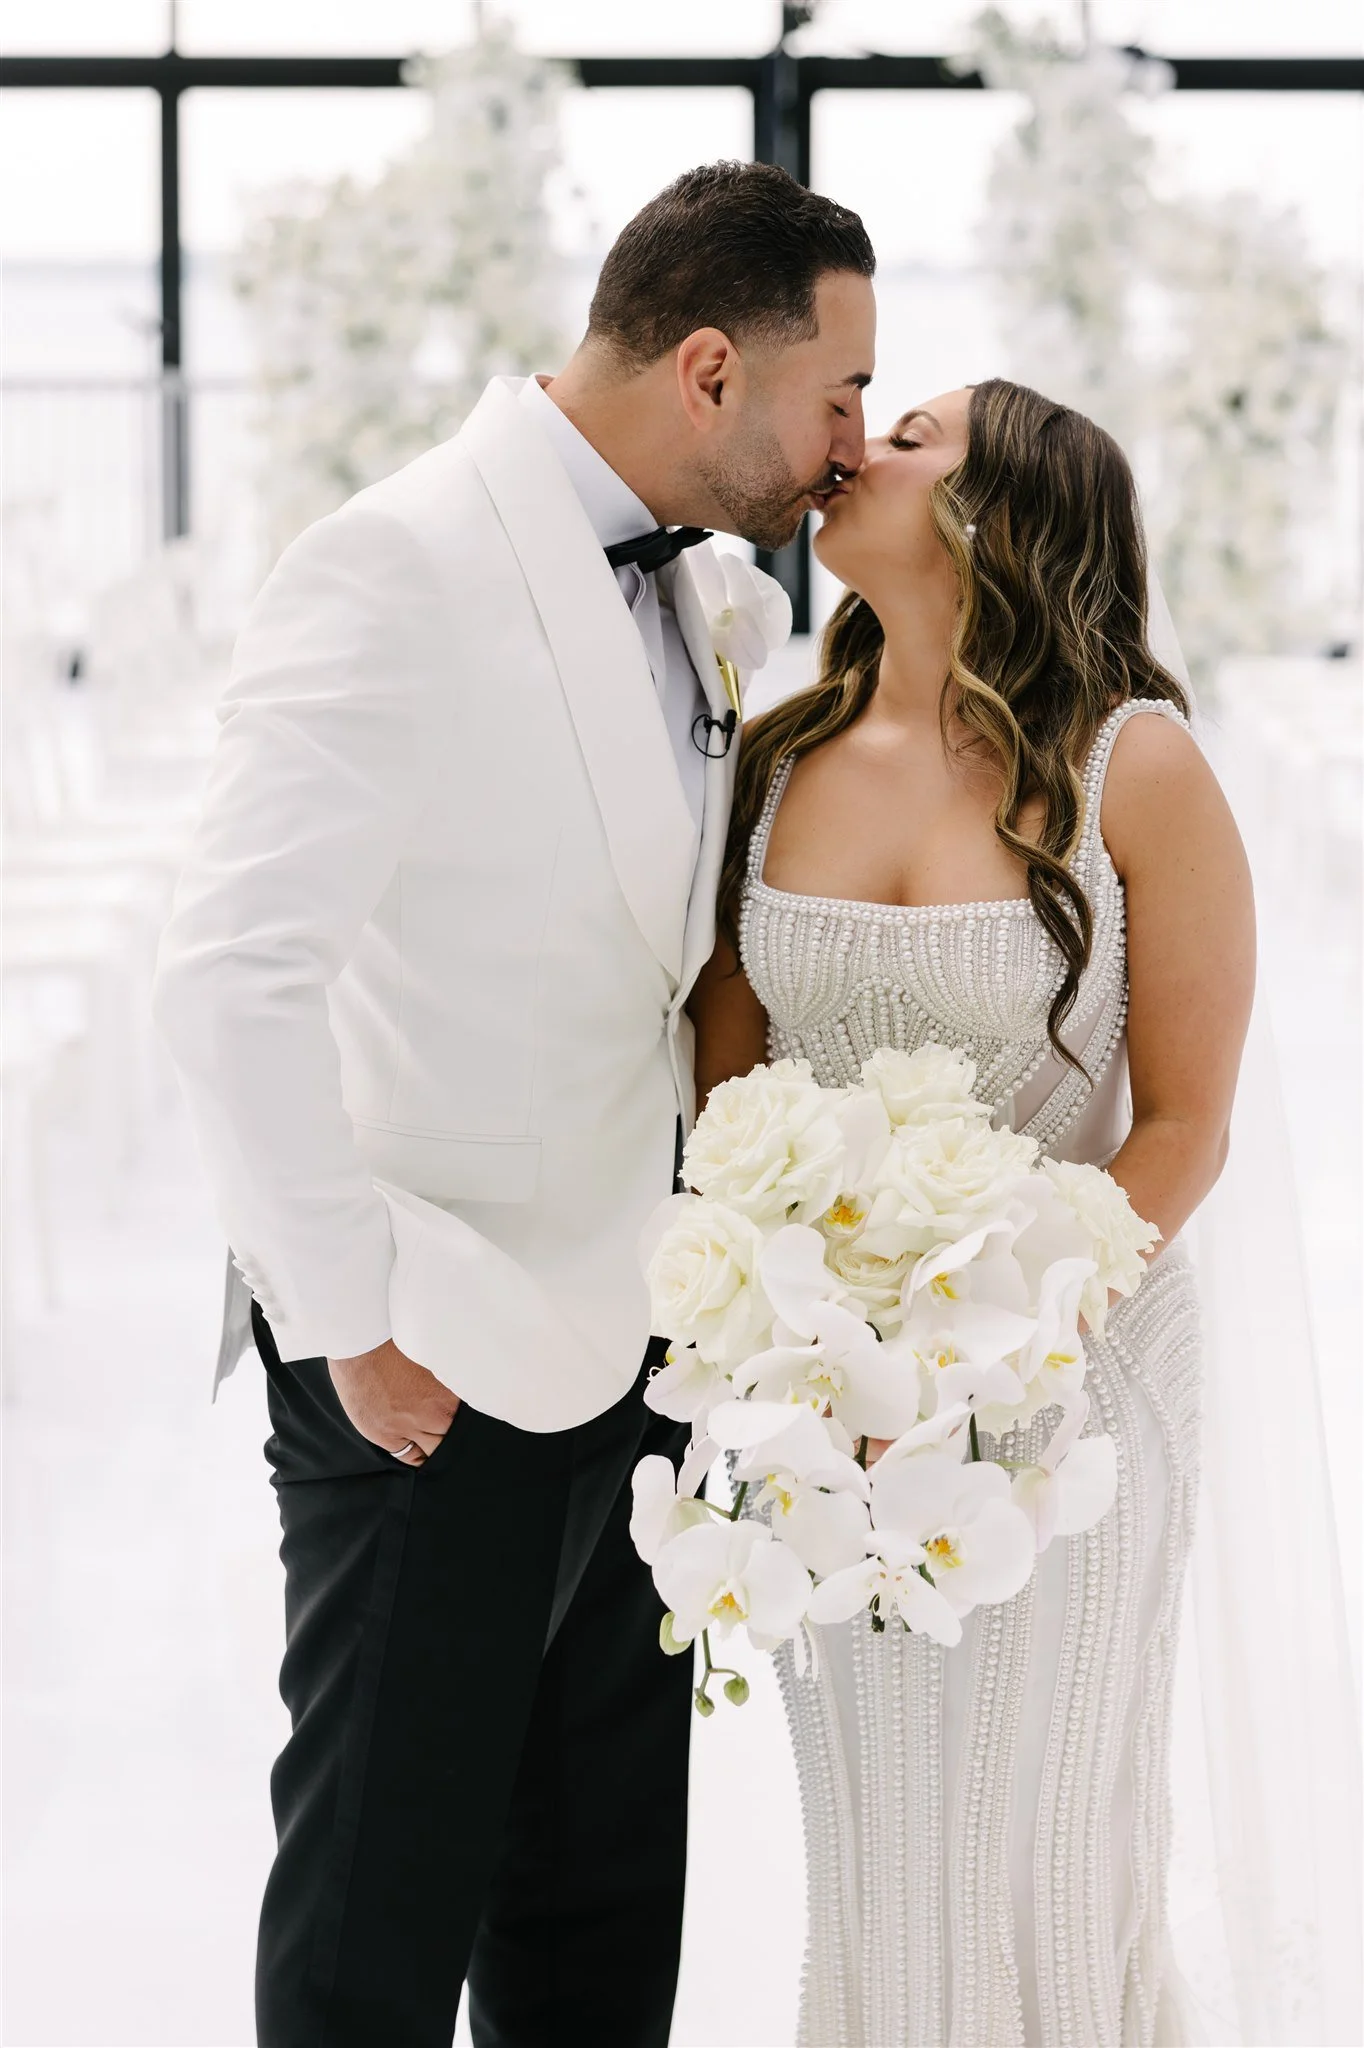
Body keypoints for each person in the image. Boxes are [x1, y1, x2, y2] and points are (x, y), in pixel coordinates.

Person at [151, 159, 876, 2048]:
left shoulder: (709, 592)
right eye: (838, 397)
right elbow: (229, 976)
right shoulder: (394, 562)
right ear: (712, 369)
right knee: (376, 1936)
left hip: (635, 1353)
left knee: (595, 1926)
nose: (851, 447)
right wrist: (356, 1325)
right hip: (433, 1363)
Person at [689, 378, 1256, 2044]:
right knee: (881, 1838)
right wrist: (792, 1357)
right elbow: (723, 1098)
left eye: (913, 431)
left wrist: (983, 1356)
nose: (856, 445)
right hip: (823, 1416)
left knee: (1044, 1826)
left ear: (999, 516)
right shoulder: (780, 754)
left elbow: (1192, 1123)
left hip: (1072, 1387)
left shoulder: (1131, 768)